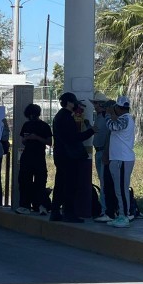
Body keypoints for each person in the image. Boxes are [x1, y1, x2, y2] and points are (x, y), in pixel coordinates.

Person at [51, 92, 95, 222]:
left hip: (60, 155)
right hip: (68, 157)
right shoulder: (66, 117)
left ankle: (55, 211)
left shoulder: (59, 116)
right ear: (69, 102)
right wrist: (91, 131)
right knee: (70, 184)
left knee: (60, 183)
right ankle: (69, 213)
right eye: (74, 101)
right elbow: (74, 137)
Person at [16, 103, 53, 215]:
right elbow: (22, 140)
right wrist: (27, 138)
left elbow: (50, 142)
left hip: (39, 156)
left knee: (40, 182)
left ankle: (41, 205)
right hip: (27, 156)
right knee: (24, 182)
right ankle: (25, 205)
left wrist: (36, 137)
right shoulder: (26, 125)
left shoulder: (44, 126)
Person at [105, 95, 135, 228]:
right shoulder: (124, 118)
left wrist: (107, 115)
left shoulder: (125, 119)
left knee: (122, 189)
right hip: (118, 159)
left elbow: (113, 126)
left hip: (122, 159)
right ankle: (122, 214)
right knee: (119, 189)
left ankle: (125, 215)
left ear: (118, 107)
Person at [90, 92, 113, 222]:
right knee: (103, 181)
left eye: (95, 103)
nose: (94, 106)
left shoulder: (105, 117)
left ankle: (105, 210)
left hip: (103, 152)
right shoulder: (99, 116)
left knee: (104, 183)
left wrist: (106, 153)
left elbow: (108, 136)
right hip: (98, 151)